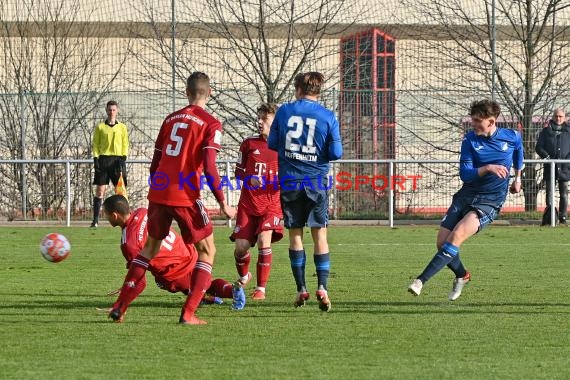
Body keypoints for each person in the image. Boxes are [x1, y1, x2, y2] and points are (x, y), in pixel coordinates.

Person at [108, 72, 236, 325]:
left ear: (187, 93)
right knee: (207, 251)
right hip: (185, 194)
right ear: (209, 93)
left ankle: (120, 307)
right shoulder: (211, 124)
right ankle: (189, 314)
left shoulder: (170, 119)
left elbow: (155, 163)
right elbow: (210, 166)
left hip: (158, 192)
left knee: (149, 248)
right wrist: (223, 202)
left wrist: (157, 190)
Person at [408, 99, 524, 300]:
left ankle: (420, 281)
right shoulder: (470, 140)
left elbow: (519, 153)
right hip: (466, 196)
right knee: (442, 243)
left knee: (457, 235)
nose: (473, 124)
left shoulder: (512, 137)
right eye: (473, 120)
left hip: (489, 201)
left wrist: (518, 178)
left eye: (478, 121)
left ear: (491, 121)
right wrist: (487, 168)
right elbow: (465, 174)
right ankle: (462, 275)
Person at [101, 195, 245, 322]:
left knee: (195, 288)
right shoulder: (143, 211)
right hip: (190, 253)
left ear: (114, 215)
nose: (105, 217)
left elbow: (140, 282)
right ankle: (218, 293)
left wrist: (124, 298)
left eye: (106, 214)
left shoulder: (129, 243)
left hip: (176, 272)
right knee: (202, 285)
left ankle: (230, 291)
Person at [267, 72, 343, 312]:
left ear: (298, 88)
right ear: (318, 91)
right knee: (320, 235)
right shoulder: (328, 116)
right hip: (316, 182)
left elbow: (271, 144)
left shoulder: (285, 111)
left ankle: (301, 289)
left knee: (295, 235)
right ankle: (322, 287)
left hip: (290, 181)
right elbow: (336, 153)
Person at [231, 103, 284, 300]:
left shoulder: (284, 145)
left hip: (272, 203)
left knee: (264, 240)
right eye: (258, 118)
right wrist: (248, 178)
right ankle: (245, 275)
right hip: (248, 204)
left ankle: (261, 289)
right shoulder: (248, 145)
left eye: (264, 119)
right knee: (240, 248)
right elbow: (238, 172)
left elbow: (291, 173)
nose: (259, 122)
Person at [91, 100, 129, 228]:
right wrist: (96, 159)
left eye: (113, 110)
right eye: (109, 110)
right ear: (106, 111)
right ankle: (95, 220)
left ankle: (123, 218)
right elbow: (95, 144)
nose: (111, 112)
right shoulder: (100, 127)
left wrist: (123, 158)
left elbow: (125, 143)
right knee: (100, 190)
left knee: (120, 191)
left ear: (117, 111)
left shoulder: (122, 127)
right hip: (103, 160)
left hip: (117, 161)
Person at [535, 108, 570, 225]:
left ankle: (563, 216)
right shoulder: (545, 131)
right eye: (556, 116)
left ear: (564, 117)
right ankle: (550, 216)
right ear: (553, 117)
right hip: (550, 167)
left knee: (564, 193)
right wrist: (547, 158)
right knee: (549, 192)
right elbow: (539, 147)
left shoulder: (569, 131)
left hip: (565, 168)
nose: (558, 118)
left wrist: (567, 160)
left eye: (560, 116)